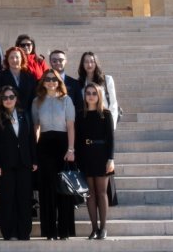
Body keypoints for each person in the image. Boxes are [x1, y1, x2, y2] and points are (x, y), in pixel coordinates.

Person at [32, 70, 77, 240]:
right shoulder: (36, 101)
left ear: (59, 82)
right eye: (48, 79)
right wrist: (35, 150)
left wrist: (71, 149)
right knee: (47, 190)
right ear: (43, 82)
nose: (51, 82)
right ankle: (50, 231)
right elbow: (36, 127)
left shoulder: (66, 100)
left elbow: (71, 126)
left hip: (62, 145)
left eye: (54, 79)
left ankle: (64, 230)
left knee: (63, 190)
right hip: (44, 146)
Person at [0, 85, 36, 241]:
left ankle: (24, 232)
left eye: (11, 97)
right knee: (7, 199)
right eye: (5, 98)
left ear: (16, 99)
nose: (8, 100)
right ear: (1, 100)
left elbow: (31, 139)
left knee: (24, 198)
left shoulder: (25, 114)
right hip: (5, 165)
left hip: (24, 162)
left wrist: (33, 160)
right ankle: (8, 232)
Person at [76, 83, 116, 240]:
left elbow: (111, 139)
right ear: (85, 96)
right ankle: (94, 228)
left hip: (102, 156)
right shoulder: (81, 115)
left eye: (94, 93)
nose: (91, 96)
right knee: (90, 195)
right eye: (88, 93)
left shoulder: (105, 114)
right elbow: (78, 139)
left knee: (101, 192)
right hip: (86, 156)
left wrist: (111, 159)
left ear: (99, 96)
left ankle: (103, 228)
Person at [78, 52, 119, 128]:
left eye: (92, 61)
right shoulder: (79, 83)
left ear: (96, 63)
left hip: (104, 120)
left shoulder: (107, 80)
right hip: (87, 122)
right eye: (86, 62)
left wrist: (111, 124)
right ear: (82, 64)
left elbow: (113, 103)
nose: (89, 65)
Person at [0, 46, 37, 110]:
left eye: (17, 57)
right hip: (5, 114)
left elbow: (33, 98)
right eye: (11, 58)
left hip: (26, 115)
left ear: (22, 59)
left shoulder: (30, 77)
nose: (14, 60)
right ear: (7, 59)